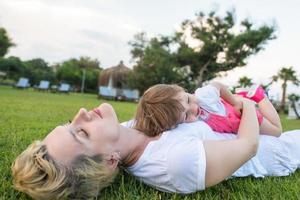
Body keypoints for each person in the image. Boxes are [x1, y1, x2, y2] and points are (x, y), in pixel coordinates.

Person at [12, 101, 300, 199]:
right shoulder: (173, 164)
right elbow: (247, 146)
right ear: (111, 161)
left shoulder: (128, 127)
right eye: (82, 132)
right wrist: (248, 105)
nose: (81, 113)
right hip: (282, 150)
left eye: (69, 123)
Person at [134, 82, 282, 137]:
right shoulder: (177, 122)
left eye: (188, 99)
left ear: (181, 90)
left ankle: (260, 96)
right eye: (186, 116)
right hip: (233, 123)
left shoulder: (203, 96)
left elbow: (218, 85)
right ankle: (244, 95)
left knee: (276, 131)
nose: (194, 109)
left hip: (240, 113)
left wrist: (235, 101)